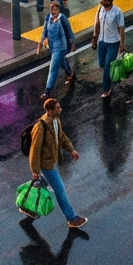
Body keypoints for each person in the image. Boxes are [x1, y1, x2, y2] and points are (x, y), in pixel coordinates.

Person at [28, 98, 86, 229]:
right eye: (57, 108)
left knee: (43, 184)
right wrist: (35, 171)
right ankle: (71, 218)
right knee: (60, 190)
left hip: (52, 159)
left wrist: (71, 150)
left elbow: (62, 136)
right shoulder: (40, 127)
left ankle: (30, 205)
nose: (60, 109)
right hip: (46, 164)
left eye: (59, 107)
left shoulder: (56, 120)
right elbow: (34, 150)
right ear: (49, 111)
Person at [91, 0, 126, 99]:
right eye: (102, 0)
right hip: (101, 41)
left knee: (107, 66)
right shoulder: (100, 9)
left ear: (110, 1)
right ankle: (113, 74)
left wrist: (122, 43)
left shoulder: (117, 12)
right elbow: (97, 23)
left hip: (113, 43)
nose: (102, 2)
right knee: (101, 63)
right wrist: (94, 37)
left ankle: (106, 89)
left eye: (105, 0)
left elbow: (121, 28)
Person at [39, 0, 75, 99]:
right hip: (52, 46)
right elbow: (44, 30)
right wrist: (41, 42)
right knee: (61, 61)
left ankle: (48, 91)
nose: (53, 12)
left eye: (55, 9)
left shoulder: (62, 18)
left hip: (61, 47)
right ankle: (70, 73)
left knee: (53, 68)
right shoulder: (48, 17)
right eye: (51, 10)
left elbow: (69, 31)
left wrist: (72, 43)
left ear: (59, 9)